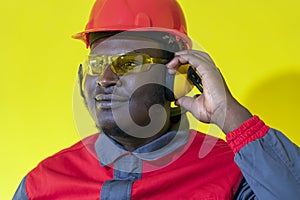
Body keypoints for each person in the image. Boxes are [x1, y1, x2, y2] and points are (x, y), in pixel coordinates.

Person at [13, 0, 300, 199]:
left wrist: (229, 113)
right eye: (97, 64)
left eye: (129, 63)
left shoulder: (233, 175)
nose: (104, 79)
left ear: (175, 74)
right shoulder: (42, 183)